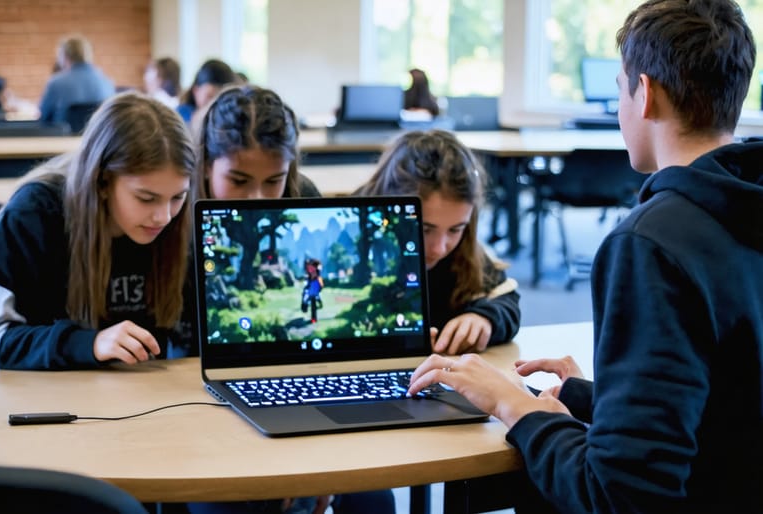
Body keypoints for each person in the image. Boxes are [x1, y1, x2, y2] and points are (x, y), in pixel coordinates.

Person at [408, 1, 763, 512]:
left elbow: (621, 495)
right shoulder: (744, 206)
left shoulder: (651, 244)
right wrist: (587, 396)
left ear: (646, 94)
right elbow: (729, 414)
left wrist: (514, 406)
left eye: (621, 88)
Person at [184, 84, 395, 514]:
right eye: (238, 180)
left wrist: (318, 463)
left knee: (375, 498)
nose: (257, 199)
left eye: (274, 181)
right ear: (205, 165)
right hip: (196, 405)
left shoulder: (304, 196)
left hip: (289, 386)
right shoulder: (174, 211)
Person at [0, 91, 195, 371]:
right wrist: (87, 343)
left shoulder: (176, 221)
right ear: (102, 182)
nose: (165, 216)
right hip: (43, 397)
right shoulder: (34, 214)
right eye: (146, 198)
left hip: (133, 396)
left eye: (178, 197)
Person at [356, 130, 521, 354]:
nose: (439, 248)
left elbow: (505, 299)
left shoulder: (466, 251)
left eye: (455, 229)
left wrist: (484, 319)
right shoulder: (359, 234)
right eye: (425, 229)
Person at [38, 34, 115, 124]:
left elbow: (43, 116)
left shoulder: (56, 82)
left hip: (62, 137)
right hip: (96, 137)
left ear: (64, 56)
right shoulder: (107, 82)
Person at [177, 58, 236, 133]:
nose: (215, 104)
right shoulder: (180, 117)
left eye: (222, 98)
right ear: (196, 91)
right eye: (210, 97)